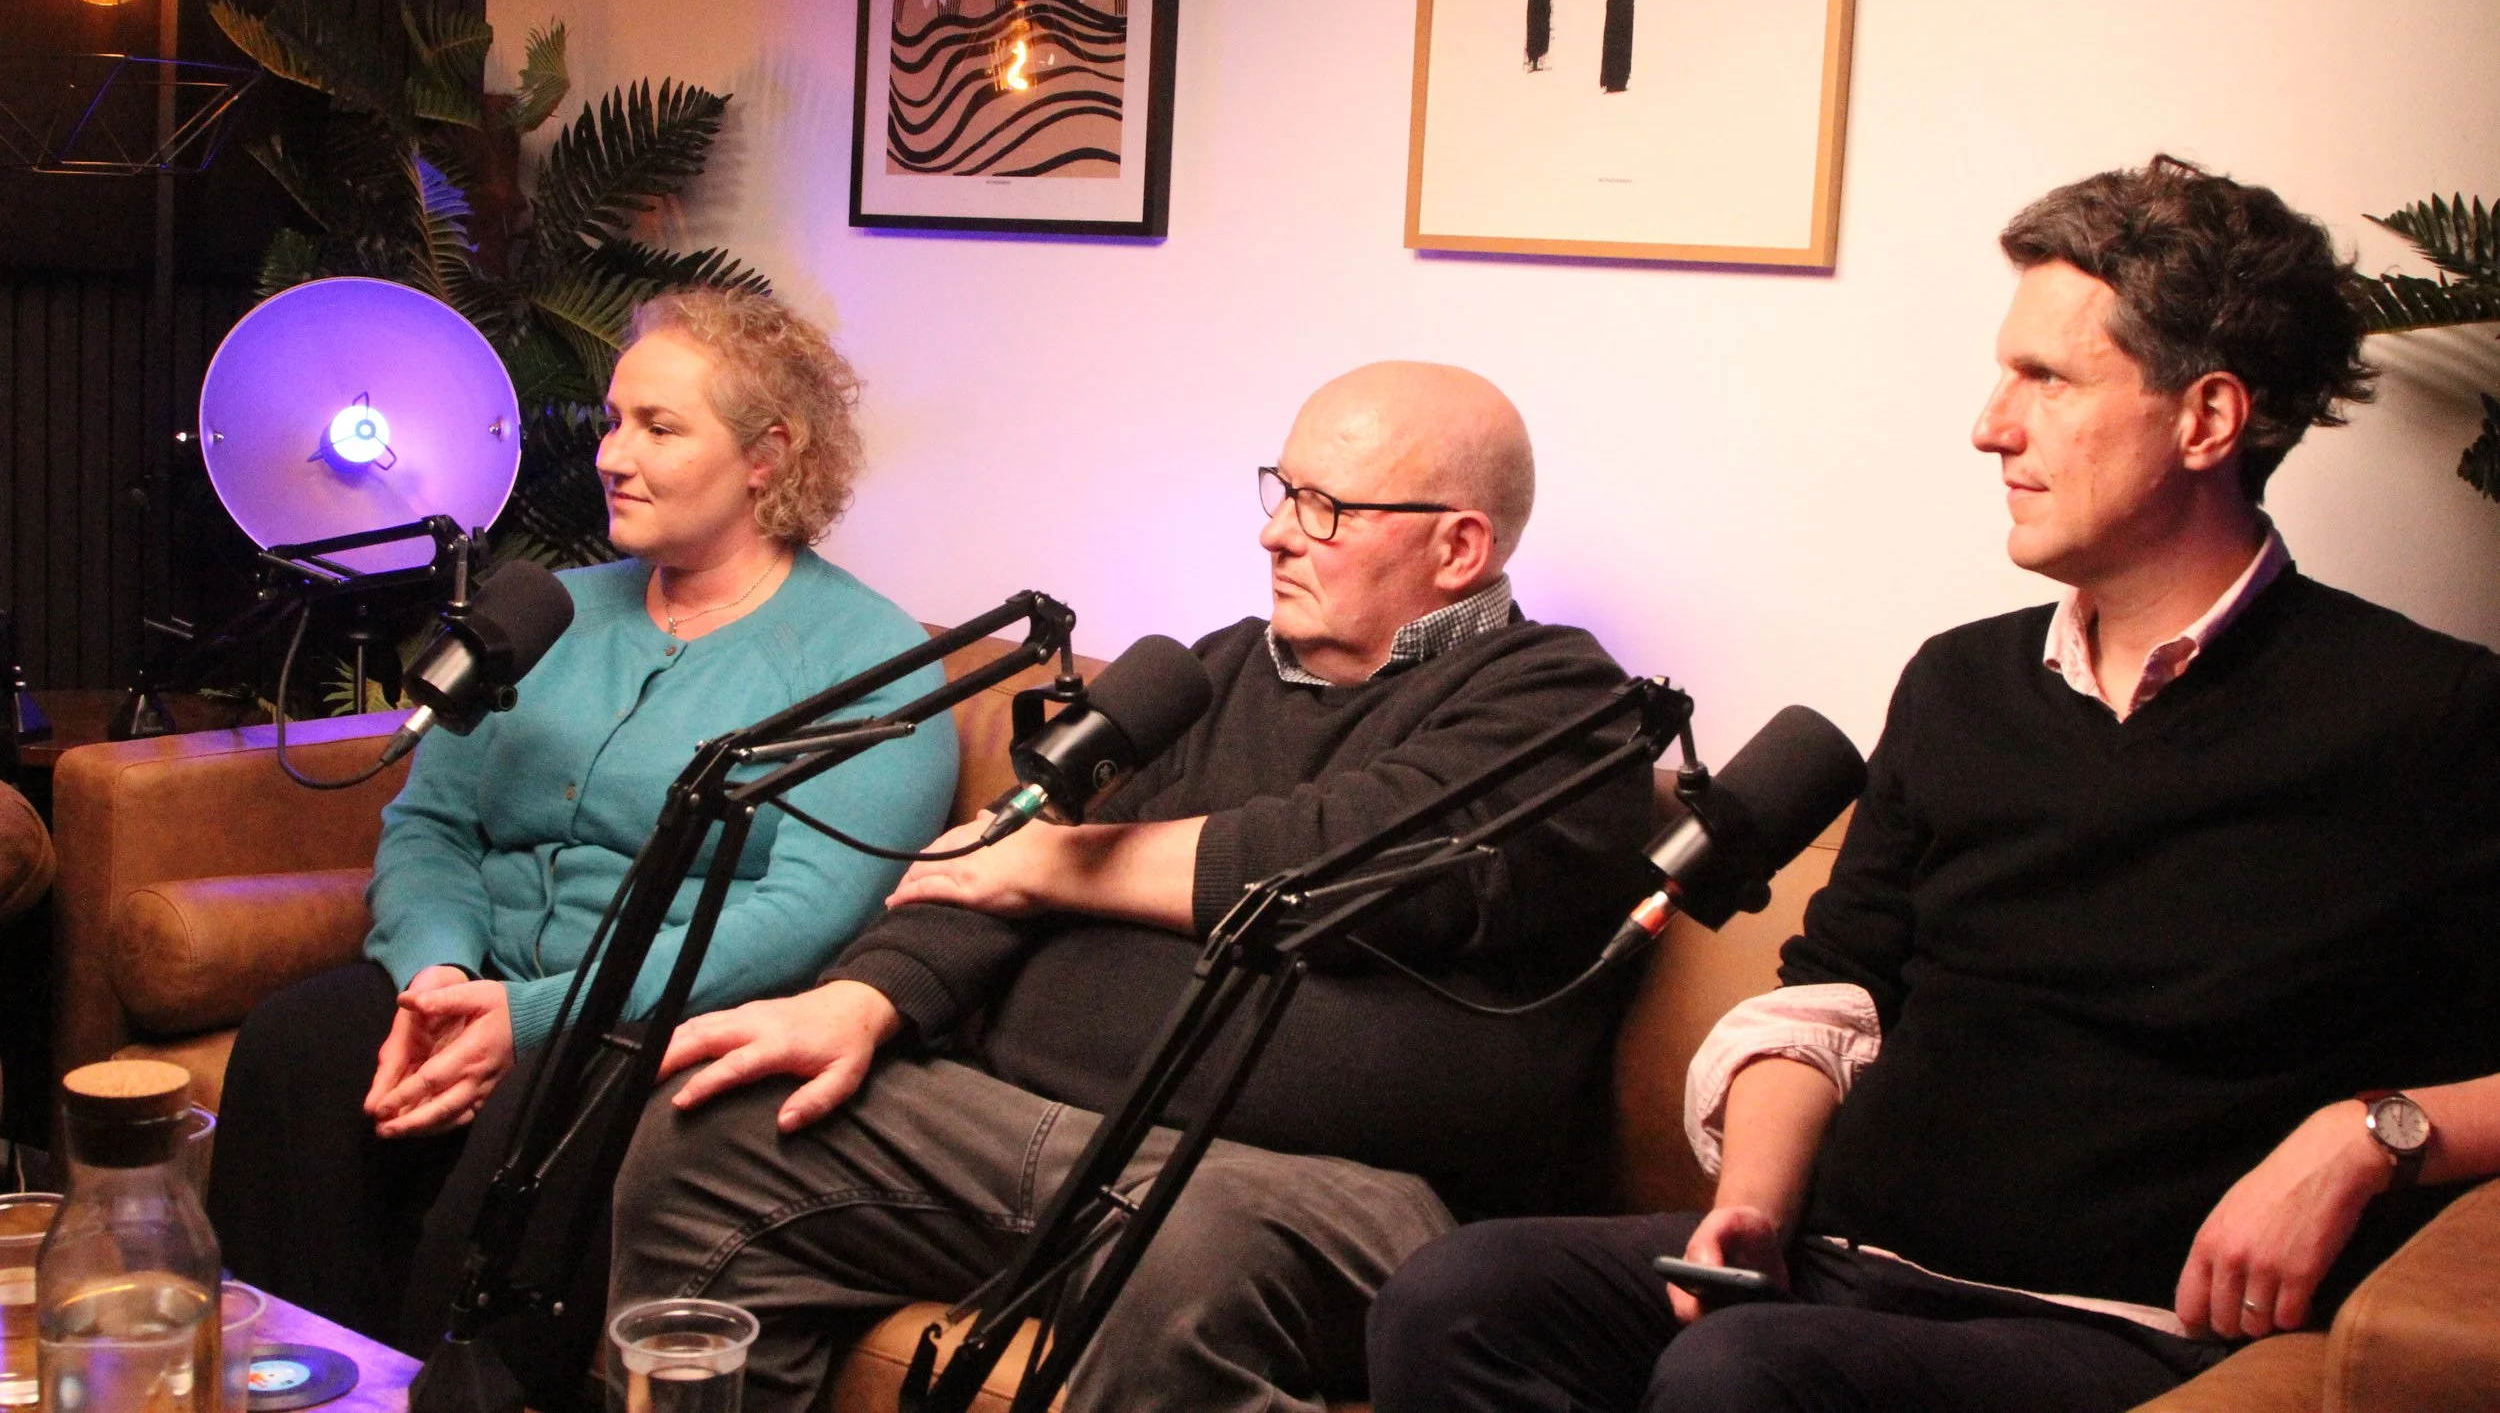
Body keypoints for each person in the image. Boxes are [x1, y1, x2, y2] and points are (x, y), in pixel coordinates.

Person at [1366, 156, 2500, 1413]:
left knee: (1741, 1375)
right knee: (1451, 1297)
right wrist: (1751, 1197)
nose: (1988, 424)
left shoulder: (2423, 711)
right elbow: (1834, 990)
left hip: (2116, 1325)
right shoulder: (1959, 682)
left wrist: (2371, 1134)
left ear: (2206, 419)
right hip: (1845, 1267)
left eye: (2047, 379)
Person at [608, 362, 1662, 1413]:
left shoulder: (1565, 709)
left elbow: (1354, 857)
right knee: (713, 1130)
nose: (1276, 533)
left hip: (1304, 1194)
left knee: (1182, 1247)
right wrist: (863, 998)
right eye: (1282, 489)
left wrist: (1058, 863)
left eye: (1326, 508)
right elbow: (1004, 846)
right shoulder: (1208, 672)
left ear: (1458, 546)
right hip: (1030, 1139)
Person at [208, 288, 959, 1390]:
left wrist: (523, 1017)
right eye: (614, 420)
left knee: (539, 1111)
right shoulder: (546, 611)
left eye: (659, 427)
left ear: (767, 455)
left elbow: (802, 919)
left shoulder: (869, 662)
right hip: (474, 979)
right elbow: (431, 822)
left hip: (646, 1030)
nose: (613, 454)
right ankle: (285, 1381)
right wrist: (435, 974)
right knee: (296, 1043)